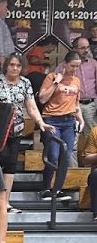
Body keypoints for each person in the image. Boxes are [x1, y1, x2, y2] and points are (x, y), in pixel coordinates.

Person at [0, 55, 51, 209]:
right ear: (6, 66)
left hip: (16, 128)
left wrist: (41, 122)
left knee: (11, 165)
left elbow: (32, 107)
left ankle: (5, 202)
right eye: (12, 65)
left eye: (18, 66)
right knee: (0, 160)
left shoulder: (25, 83)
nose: (15, 68)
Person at [37, 53, 84, 199]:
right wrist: (56, 82)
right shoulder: (52, 76)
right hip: (52, 120)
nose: (74, 69)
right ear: (65, 63)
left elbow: (76, 103)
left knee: (66, 155)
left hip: (69, 121)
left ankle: (57, 189)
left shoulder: (76, 80)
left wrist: (81, 120)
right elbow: (42, 98)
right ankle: (46, 188)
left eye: (77, 66)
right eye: (72, 66)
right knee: (53, 154)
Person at [70, 36, 97, 153]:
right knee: (73, 138)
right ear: (75, 49)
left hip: (91, 105)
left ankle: (93, 169)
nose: (86, 50)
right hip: (73, 106)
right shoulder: (65, 65)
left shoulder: (94, 64)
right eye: (82, 48)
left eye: (87, 47)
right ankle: (72, 170)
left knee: (93, 137)